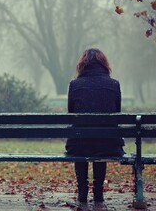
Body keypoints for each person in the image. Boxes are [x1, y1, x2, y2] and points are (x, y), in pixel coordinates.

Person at [65, 48, 125, 204]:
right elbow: (116, 113)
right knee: (101, 141)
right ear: (103, 64)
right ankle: (98, 193)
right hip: (108, 145)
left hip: (79, 144)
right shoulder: (114, 85)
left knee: (82, 140)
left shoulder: (74, 85)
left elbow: (72, 113)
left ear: (82, 64)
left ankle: (82, 192)